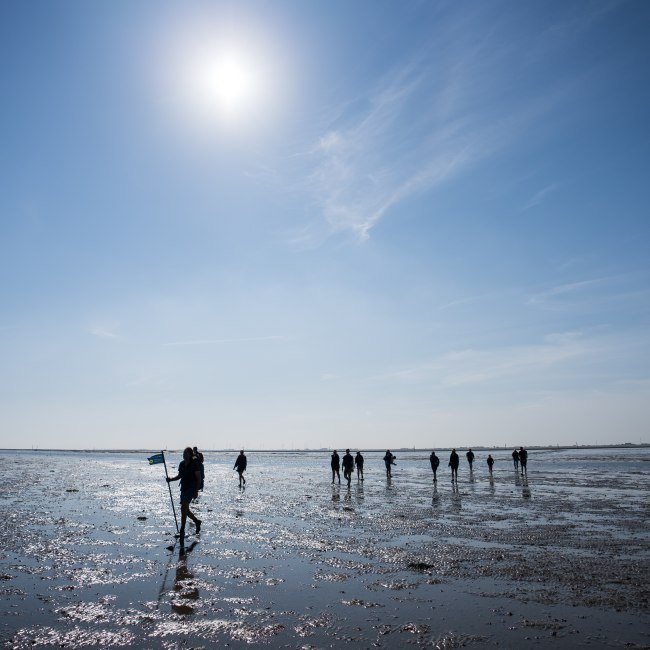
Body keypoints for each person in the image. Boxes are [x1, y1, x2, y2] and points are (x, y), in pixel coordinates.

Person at [166, 447, 202, 541]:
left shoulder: (194, 464)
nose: (184, 455)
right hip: (184, 487)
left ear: (190, 455)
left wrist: (196, 491)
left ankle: (182, 529)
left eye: (186, 453)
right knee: (185, 509)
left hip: (192, 487)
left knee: (184, 507)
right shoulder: (182, 464)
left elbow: (199, 479)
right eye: (183, 453)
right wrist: (170, 479)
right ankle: (197, 521)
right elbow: (180, 476)